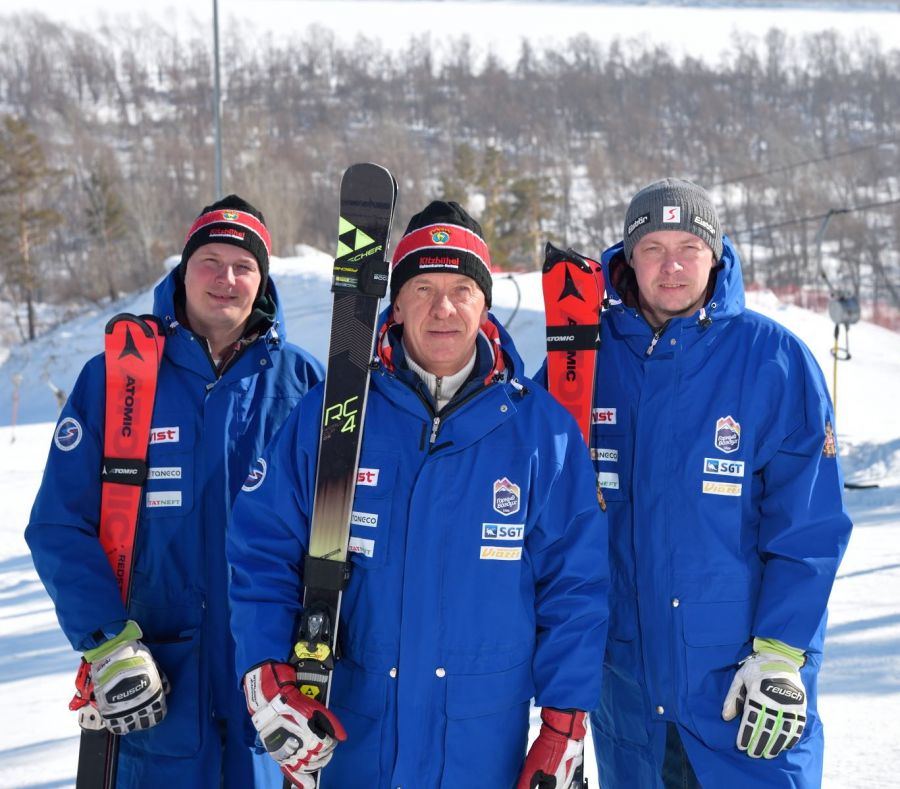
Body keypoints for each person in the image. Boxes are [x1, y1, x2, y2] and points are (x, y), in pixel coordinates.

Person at [226, 200, 609, 789]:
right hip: (348, 737)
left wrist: (564, 723)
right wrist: (265, 666)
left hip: (483, 747)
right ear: (396, 304)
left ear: (485, 305)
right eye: (423, 287)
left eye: (461, 288)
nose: (443, 308)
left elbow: (575, 587)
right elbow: (262, 547)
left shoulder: (542, 433)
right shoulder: (334, 418)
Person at [26, 195, 324, 788]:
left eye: (244, 266)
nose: (226, 278)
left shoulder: (304, 384)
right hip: (154, 687)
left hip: (267, 691)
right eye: (210, 260)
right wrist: (106, 642)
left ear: (263, 282)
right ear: (182, 272)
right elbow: (59, 524)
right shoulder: (117, 378)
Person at [580, 178, 853, 787]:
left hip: (743, 688)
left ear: (715, 253)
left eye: (689, 248)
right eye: (653, 248)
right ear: (627, 258)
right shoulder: (583, 362)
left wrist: (781, 654)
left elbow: (808, 529)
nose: (671, 266)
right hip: (626, 690)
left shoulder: (773, 361)